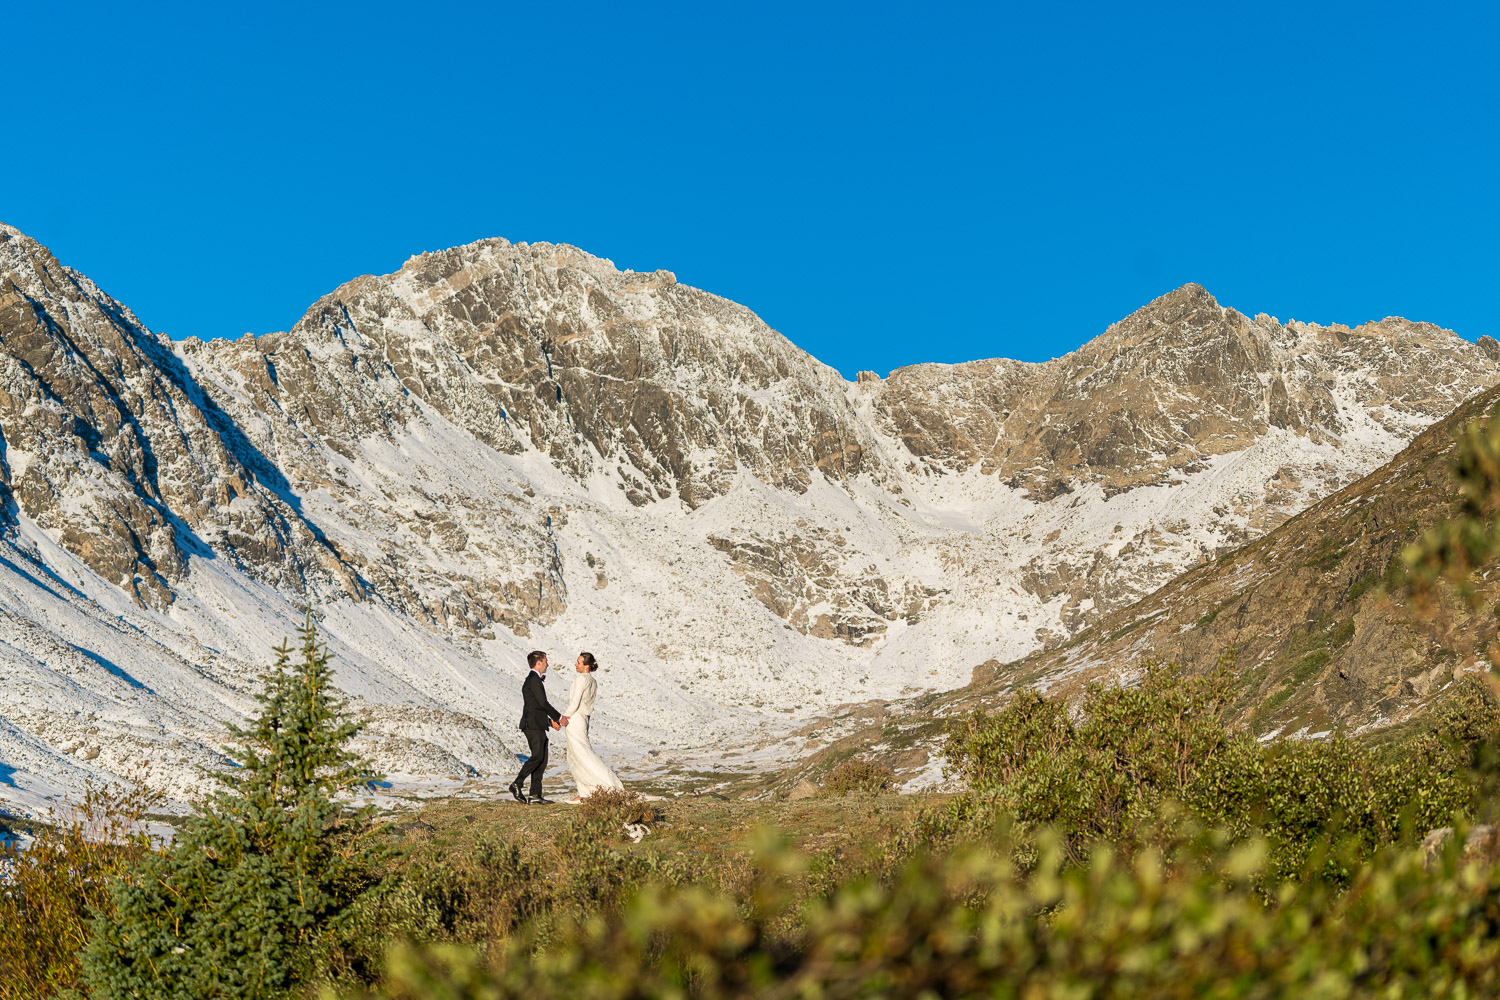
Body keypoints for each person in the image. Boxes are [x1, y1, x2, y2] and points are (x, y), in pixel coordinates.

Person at [560, 651, 625, 802]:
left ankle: (608, 785)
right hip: (584, 719)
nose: (575, 665)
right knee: (579, 755)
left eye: (579, 663)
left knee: (581, 755)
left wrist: (563, 718)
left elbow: (574, 703)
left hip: (575, 718)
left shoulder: (581, 679)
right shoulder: (593, 681)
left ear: (586, 667)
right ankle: (584, 792)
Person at [510, 650, 562, 804]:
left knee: (543, 759)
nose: (548, 664)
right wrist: (558, 718)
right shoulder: (533, 680)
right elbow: (542, 703)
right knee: (537, 756)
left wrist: (549, 722)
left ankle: (535, 795)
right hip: (531, 725)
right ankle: (517, 784)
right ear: (539, 663)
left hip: (538, 723)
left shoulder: (534, 680)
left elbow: (535, 707)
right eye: (546, 661)